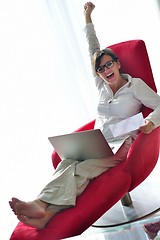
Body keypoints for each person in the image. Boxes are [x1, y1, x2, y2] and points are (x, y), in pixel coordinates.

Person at [9, 2, 160, 230]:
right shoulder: (101, 84)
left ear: (118, 64)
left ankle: (43, 208)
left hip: (121, 145)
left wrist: (150, 122)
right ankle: (43, 210)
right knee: (66, 162)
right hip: (97, 140)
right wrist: (88, 19)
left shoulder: (134, 86)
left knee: (82, 169)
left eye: (109, 64)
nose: (106, 70)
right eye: (100, 68)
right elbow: (93, 49)